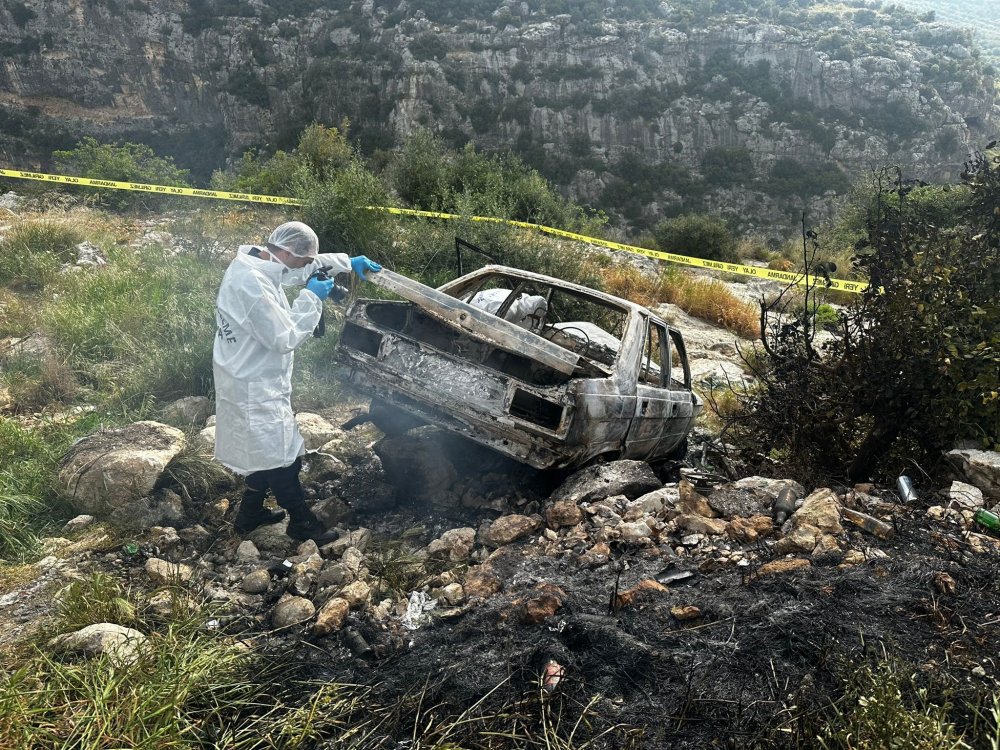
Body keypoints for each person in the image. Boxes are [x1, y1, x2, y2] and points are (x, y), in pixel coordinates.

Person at [213, 220, 381, 543]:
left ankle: (248, 516)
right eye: (304, 260)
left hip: (249, 374)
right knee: (282, 455)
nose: (306, 267)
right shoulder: (252, 284)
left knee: (263, 449)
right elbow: (284, 335)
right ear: (288, 252)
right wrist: (311, 299)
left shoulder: (259, 262)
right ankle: (302, 522)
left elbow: (300, 267)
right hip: (253, 383)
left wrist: (347, 263)